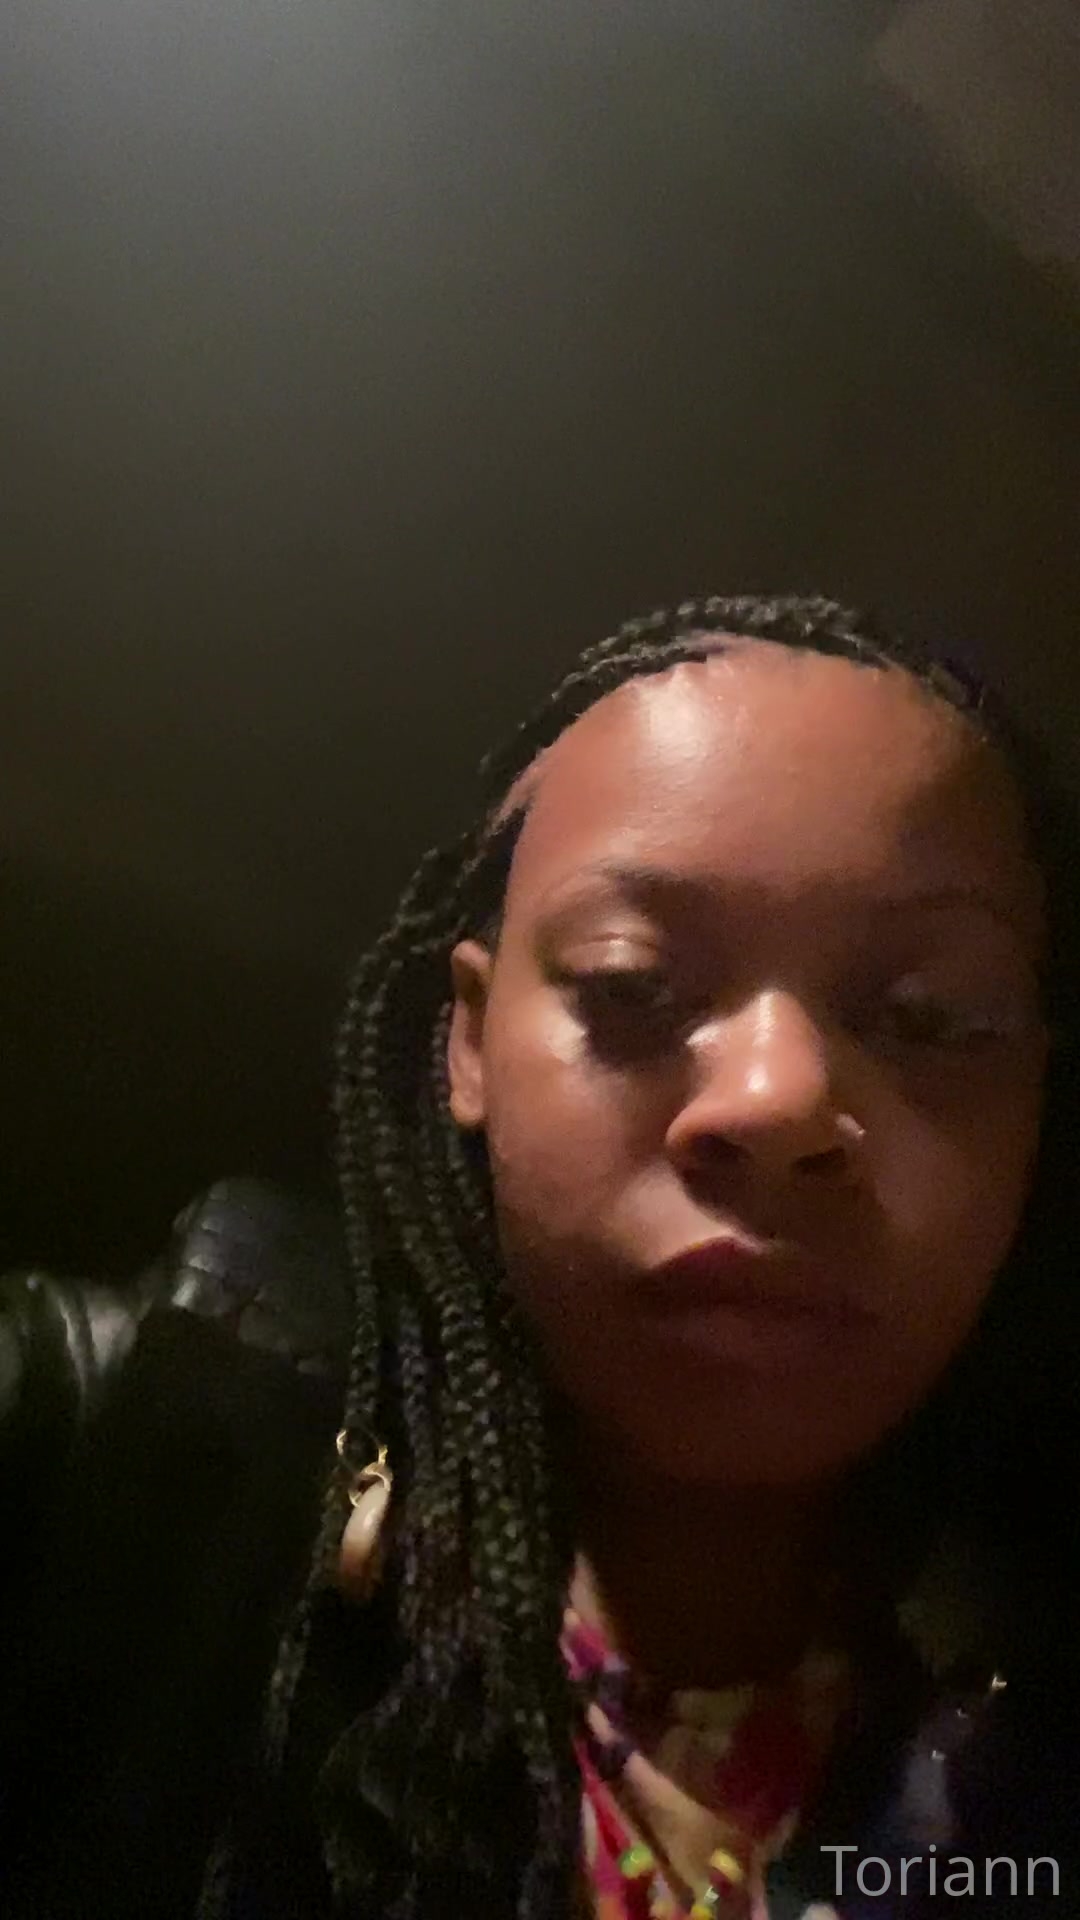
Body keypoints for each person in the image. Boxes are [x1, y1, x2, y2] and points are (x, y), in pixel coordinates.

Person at [1, 594, 1078, 1920]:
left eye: (931, 1018)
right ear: (469, 1041)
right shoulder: (112, 1465)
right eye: (631, 983)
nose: (776, 1098)